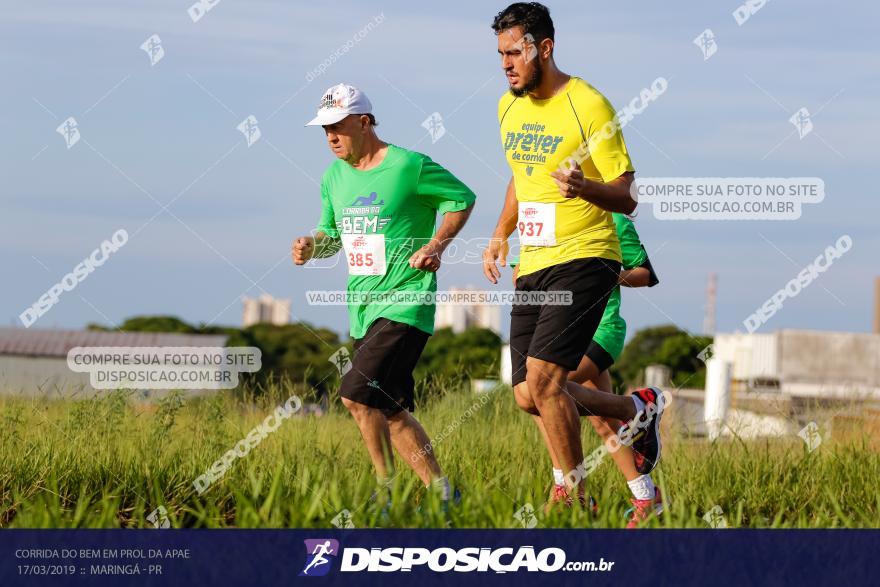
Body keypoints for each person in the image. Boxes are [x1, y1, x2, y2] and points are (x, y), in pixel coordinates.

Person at [482, 3, 665, 506]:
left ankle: (573, 493)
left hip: (587, 255)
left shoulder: (590, 104)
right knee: (526, 394)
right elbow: (523, 178)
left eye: (514, 52)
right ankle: (636, 408)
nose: (506, 64)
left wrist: (585, 188)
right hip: (534, 262)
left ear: (545, 47)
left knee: (544, 383)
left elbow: (626, 195)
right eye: (500, 54)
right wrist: (501, 230)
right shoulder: (507, 107)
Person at [293, 83, 475, 510]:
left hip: (406, 300)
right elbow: (332, 237)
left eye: (338, 127)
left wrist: (435, 246)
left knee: (355, 394)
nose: (331, 138)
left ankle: (384, 490)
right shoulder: (332, 178)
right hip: (363, 306)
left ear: (364, 122)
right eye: (324, 131)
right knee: (390, 410)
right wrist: (310, 246)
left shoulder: (408, 166)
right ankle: (444, 495)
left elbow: (461, 198)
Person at [511, 212, 663, 527]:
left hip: (600, 331)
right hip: (556, 330)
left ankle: (568, 489)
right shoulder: (544, 216)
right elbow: (520, 273)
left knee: (540, 391)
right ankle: (647, 497)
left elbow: (645, 274)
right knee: (603, 422)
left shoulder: (614, 222)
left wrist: (600, 273)